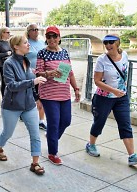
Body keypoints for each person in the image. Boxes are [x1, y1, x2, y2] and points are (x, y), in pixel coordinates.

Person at [85, 34, 137, 166]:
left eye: (111, 42)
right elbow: (97, 81)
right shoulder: (102, 60)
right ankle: (91, 144)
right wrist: (113, 91)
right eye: (105, 42)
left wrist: (120, 91)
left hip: (121, 98)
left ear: (118, 43)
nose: (108, 45)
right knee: (99, 122)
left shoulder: (124, 55)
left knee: (125, 124)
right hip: (104, 98)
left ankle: (132, 156)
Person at [0, 35, 46, 175]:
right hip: (12, 106)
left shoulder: (26, 60)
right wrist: (32, 82)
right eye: (25, 43)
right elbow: (11, 85)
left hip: (29, 105)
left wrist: (45, 77)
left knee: (35, 134)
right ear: (16, 46)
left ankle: (35, 163)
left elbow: (31, 80)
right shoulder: (8, 63)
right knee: (8, 133)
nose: (28, 45)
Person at [35, 26, 80, 165]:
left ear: (59, 38)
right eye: (49, 36)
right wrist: (49, 73)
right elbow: (38, 72)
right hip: (49, 94)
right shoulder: (42, 53)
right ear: (46, 38)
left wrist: (76, 88)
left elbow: (70, 73)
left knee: (66, 121)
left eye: (55, 36)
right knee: (54, 123)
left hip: (64, 93)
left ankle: (51, 137)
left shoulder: (65, 53)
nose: (52, 39)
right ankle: (52, 153)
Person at [26, 23, 47, 131]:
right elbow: (20, 59)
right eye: (33, 29)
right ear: (28, 32)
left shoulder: (42, 42)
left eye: (37, 29)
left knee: (41, 98)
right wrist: (28, 70)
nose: (35, 31)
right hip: (29, 75)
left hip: (42, 74)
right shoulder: (26, 43)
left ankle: (41, 120)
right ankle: (25, 114)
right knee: (30, 98)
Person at [0, 27, 12, 97]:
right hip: (1, 65)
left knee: (9, 81)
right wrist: (6, 53)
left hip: (8, 64)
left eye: (9, 32)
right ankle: (3, 97)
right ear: (3, 33)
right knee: (3, 82)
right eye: (7, 32)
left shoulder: (8, 42)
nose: (9, 34)